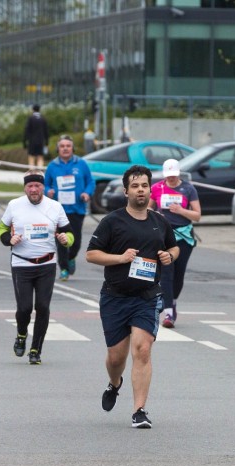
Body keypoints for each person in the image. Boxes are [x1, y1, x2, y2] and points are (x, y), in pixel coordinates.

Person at [86, 165, 179, 429]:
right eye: (135, 186)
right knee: (116, 357)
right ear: (126, 191)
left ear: (151, 190)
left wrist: (169, 255)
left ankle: (139, 410)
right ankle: (115, 383)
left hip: (147, 297)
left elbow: (173, 246)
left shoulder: (159, 222)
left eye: (145, 186)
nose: (141, 190)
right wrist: (120, 258)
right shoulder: (112, 222)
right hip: (115, 297)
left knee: (143, 349)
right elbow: (91, 254)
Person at [0, 169, 74, 365]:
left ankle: (35, 349)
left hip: (46, 264)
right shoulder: (14, 205)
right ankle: (21, 334)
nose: (33, 189)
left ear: (43, 187)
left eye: (37, 186)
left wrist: (66, 239)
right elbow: (1, 229)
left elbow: (68, 232)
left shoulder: (55, 207)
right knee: (24, 308)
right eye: (30, 186)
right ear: (25, 188)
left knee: (42, 307)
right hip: (21, 263)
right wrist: (9, 239)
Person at [148, 158, 201, 328]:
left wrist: (181, 211)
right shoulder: (156, 188)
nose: (171, 178)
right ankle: (168, 313)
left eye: (173, 175)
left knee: (178, 275)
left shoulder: (188, 189)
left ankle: (172, 301)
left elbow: (197, 215)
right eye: (168, 175)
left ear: (178, 173)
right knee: (166, 274)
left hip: (183, 236)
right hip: (164, 236)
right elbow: (147, 210)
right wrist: (157, 215)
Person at [45, 134, 94, 281]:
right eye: (62, 146)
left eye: (68, 146)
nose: (65, 148)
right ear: (58, 149)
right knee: (61, 240)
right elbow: (45, 184)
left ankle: (71, 257)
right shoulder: (52, 166)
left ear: (72, 148)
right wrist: (49, 191)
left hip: (77, 208)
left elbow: (90, 182)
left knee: (76, 241)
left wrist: (87, 193)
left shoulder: (81, 164)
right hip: (59, 210)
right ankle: (64, 268)